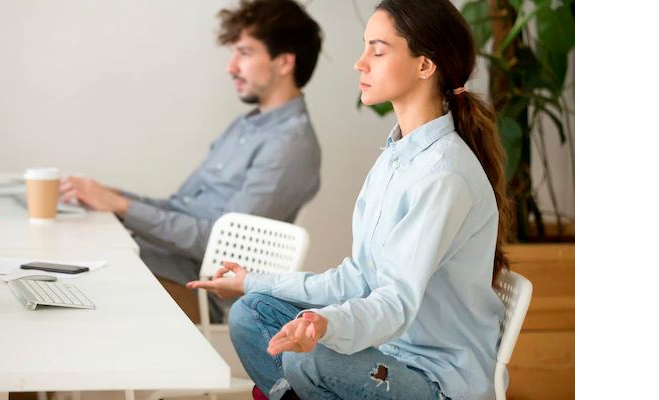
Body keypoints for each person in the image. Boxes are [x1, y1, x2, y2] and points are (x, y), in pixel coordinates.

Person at [186, 0, 513, 398]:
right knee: (250, 312)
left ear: (425, 65)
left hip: (433, 378)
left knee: (310, 357)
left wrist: (326, 325)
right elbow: (356, 278)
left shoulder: (444, 175)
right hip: (385, 352)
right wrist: (252, 280)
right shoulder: (396, 157)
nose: (360, 63)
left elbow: (395, 303)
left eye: (378, 51)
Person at [60, 0, 324, 322]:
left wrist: (122, 207)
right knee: (65, 255)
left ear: (284, 62)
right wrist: (109, 197)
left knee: (81, 285)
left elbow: (226, 247)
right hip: (163, 262)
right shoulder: (246, 126)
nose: (231, 67)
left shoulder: (290, 146)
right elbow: (180, 207)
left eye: (244, 53)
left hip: (198, 291)